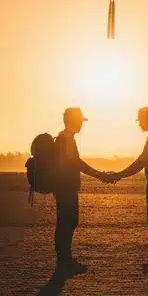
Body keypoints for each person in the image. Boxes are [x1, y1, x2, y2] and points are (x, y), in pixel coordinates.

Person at [106, 106, 148, 273]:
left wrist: (119, 175)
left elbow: (141, 162)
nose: (139, 124)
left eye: (139, 120)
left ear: (147, 120)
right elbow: (142, 161)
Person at [53, 107, 107, 274]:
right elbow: (76, 163)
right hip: (65, 187)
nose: (81, 125)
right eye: (80, 121)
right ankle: (64, 262)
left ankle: (65, 261)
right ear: (72, 121)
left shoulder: (66, 138)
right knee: (66, 223)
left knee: (68, 222)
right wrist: (98, 174)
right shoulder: (65, 140)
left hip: (65, 187)